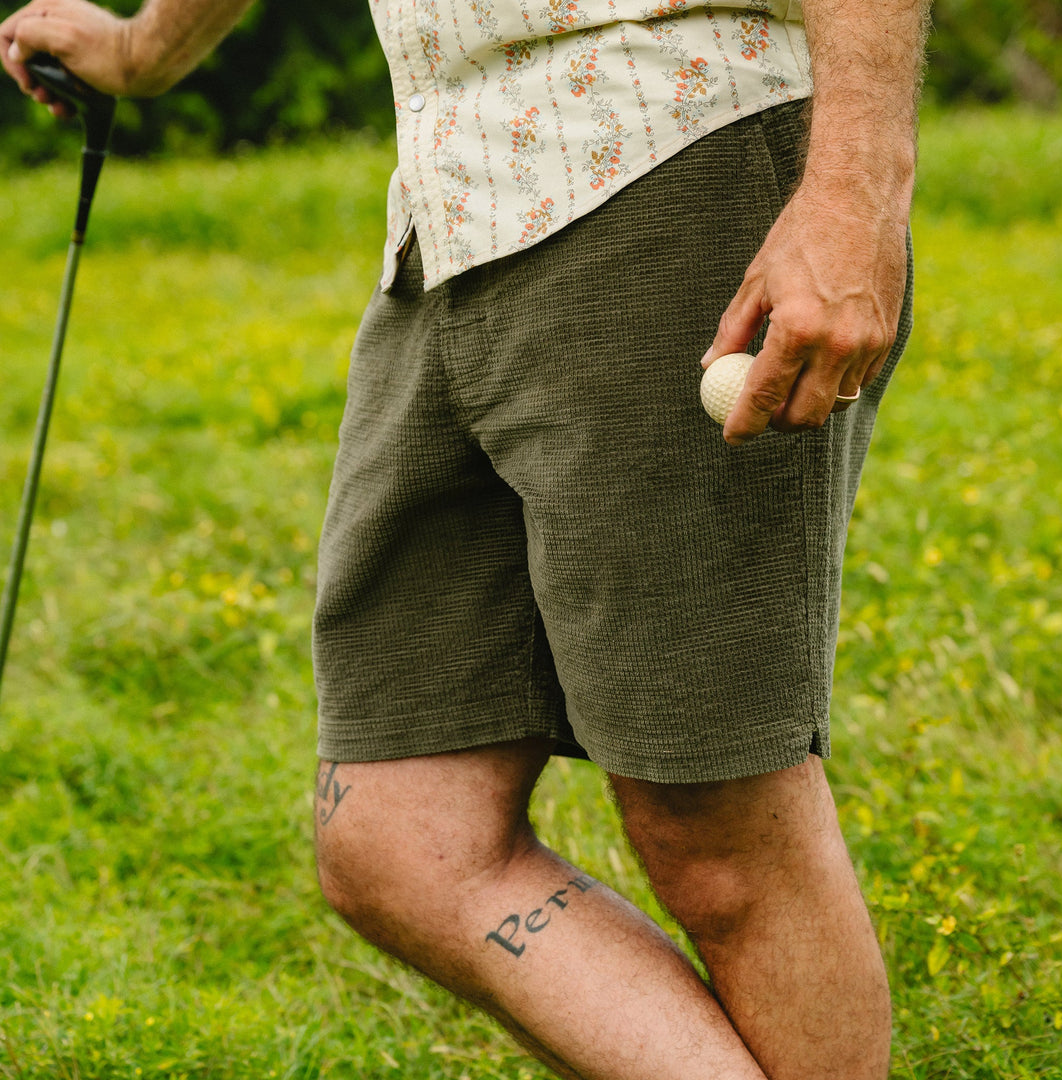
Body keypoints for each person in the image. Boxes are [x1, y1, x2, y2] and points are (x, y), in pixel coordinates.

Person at [2, 0, 928, 1076]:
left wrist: (858, 189)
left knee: (714, 818)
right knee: (398, 831)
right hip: (455, 199)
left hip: (673, 142)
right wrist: (142, 49)